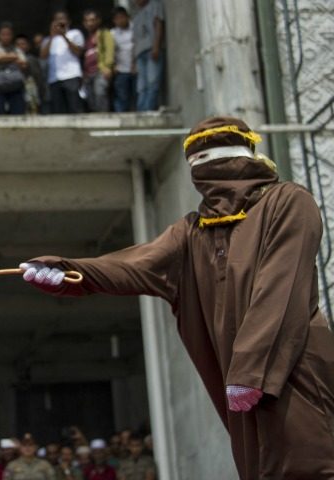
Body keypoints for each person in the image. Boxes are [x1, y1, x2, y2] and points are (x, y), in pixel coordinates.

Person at [21, 115, 334, 479]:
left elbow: (282, 285)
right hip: (241, 387)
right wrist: (68, 272)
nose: (207, 171)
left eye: (216, 158)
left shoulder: (288, 202)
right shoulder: (192, 232)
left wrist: (251, 369)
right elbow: (134, 264)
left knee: (310, 461)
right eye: (198, 164)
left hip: (291, 371)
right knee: (259, 469)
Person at [40, 10, 84, 114]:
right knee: (58, 109)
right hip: (54, 79)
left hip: (71, 75)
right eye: (57, 19)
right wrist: (52, 35)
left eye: (62, 19)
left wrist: (64, 35)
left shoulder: (75, 33)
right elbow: (43, 56)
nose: (60, 21)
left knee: (74, 107)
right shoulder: (48, 39)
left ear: (68, 21)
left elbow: (78, 52)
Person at [0, 22, 27, 115]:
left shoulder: (17, 49)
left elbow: (24, 64)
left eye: (8, 34)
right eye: (3, 34)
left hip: (16, 87)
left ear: (12, 36)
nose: (6, 37)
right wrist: (14, 57)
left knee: (18, 117)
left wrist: (4, 58)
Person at [132, 0, 164, 111]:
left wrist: (156, 46)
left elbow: (158, 25)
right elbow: (134, 40)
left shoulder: (155, 5)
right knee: (141, 86)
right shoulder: (136, 15)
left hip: (151, 49)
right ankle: (142, 110)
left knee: (152, 81)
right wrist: (134, 61)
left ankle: (149, 110)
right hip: (139, 53)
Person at [81, 10, 115, 113]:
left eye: (92, 20)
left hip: (101, 70)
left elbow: (110, 50)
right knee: (91, 99)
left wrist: (108, 67)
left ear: (98, 21)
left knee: (100, 93)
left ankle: (104, 118)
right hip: (88, 73)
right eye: (87, 21)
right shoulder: (87, 38)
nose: (90, 23)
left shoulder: (104, 34)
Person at [111, 7, 135, 112]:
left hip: (135, 68)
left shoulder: (135, 28)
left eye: (122, 17)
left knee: (136, 94)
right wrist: (113, 65)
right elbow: (110, 52)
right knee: (122, 96)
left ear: (127, 17)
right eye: (117, 18)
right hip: (120, 69)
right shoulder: (112, 33)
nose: (120, 20)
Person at [15, 34, 43, 114]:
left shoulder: (31, 59)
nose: (20, 46)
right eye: (18, 44)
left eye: (23, 44)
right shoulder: (10, 59)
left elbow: (38, 77)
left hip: (31, 89)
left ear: (28, 46)